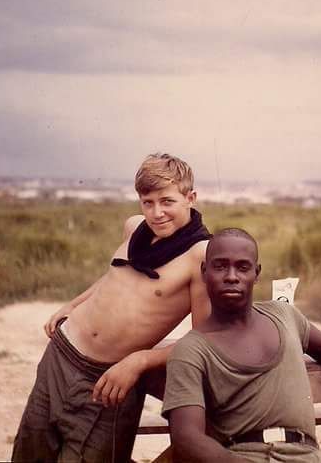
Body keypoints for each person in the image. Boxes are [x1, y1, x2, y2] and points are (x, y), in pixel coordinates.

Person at [12, 153, 212, 463]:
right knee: (30, 453)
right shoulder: (135, 227)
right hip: (59, 355)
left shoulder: (200, 255)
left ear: (191, 198)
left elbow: (205, 339)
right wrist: (73, 305)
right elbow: (114, 279)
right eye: (147, 202)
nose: (157, 213)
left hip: (107, 380)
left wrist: (140, 361)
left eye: (167, 201)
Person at [162, 228, 321, 463]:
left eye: (242, 267)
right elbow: (187, 439)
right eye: (221, 266)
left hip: (309, 455)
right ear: (204, 272)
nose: (232, 276)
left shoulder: (284, 315)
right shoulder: (192, 350)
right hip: (245, 455)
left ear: (256, 273)